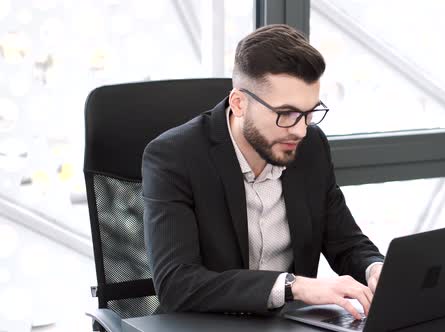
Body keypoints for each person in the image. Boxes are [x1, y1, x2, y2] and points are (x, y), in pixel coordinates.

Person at [142, 24, 384, 320]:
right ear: (239, 103)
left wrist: (375, 268)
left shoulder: (311, 147)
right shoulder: (175, 157)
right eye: (286, 114)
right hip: (205, 326)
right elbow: (176, 283)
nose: (300, 130)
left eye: (309, 113)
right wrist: (294, 287)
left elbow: (345, 242)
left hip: (286, 325)